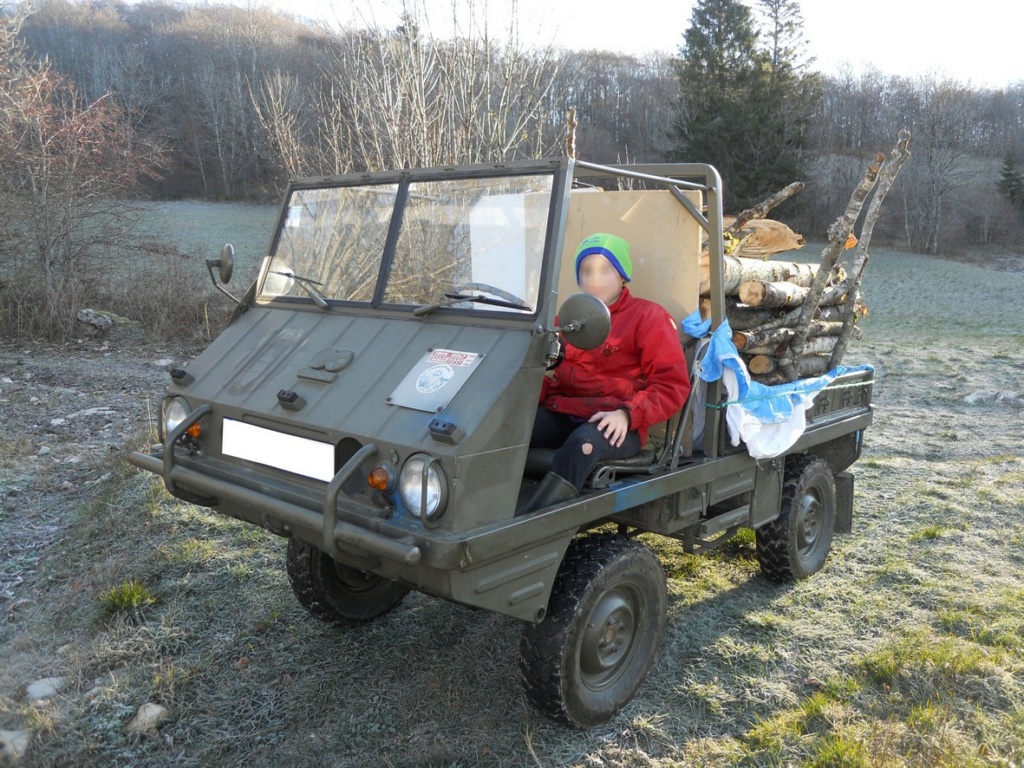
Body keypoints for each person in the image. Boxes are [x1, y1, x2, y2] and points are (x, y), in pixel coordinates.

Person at [517, 232, 691, 515]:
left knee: (583, 445)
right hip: (566, 410)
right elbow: (545, 374)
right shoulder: (567, 319)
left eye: (605, 270)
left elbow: (671, 386)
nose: (594, 280)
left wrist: (627, 414)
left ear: (622, 276)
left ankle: (532, 526)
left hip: (617, 422)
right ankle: (485, 512)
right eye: (586, 271)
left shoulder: (649, 318)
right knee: (510, 430)